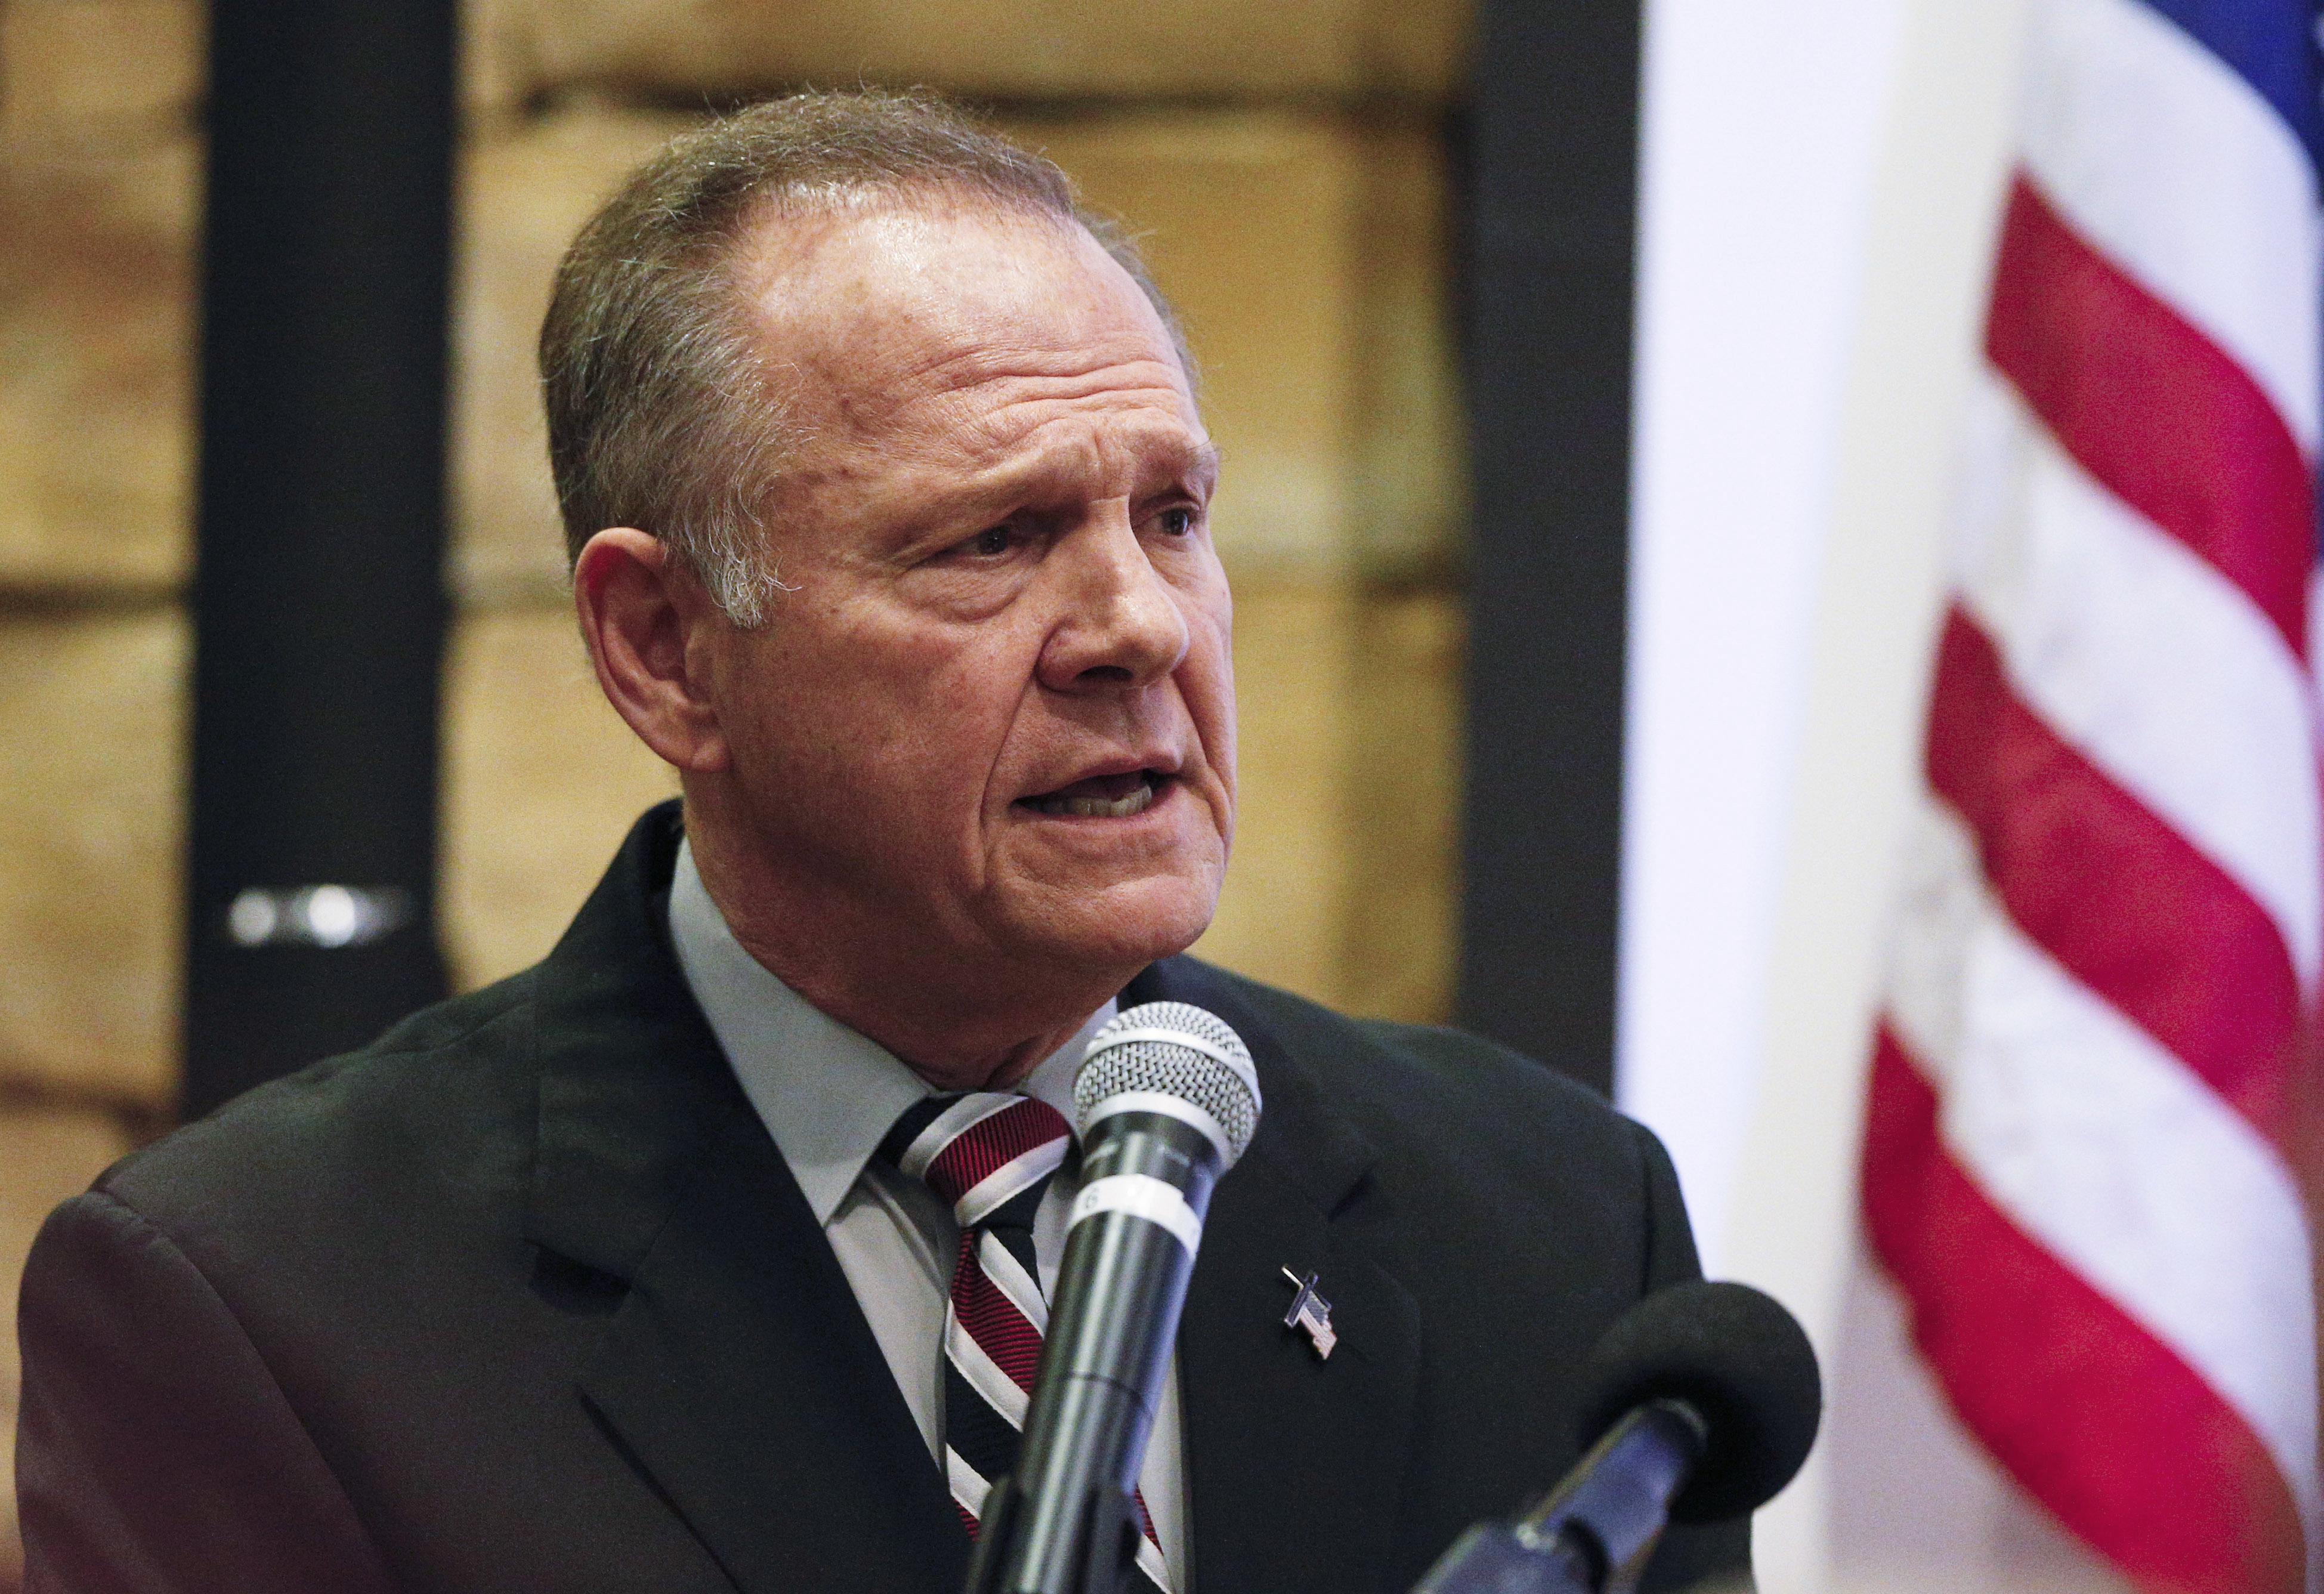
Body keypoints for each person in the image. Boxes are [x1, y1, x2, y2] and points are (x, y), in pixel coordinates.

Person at [14, 91, 1748, 1594]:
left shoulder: (1554, 1232)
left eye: (1173, 516)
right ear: (666, 649)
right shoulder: (272, 1315)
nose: (1137, 626)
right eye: (995, 539)